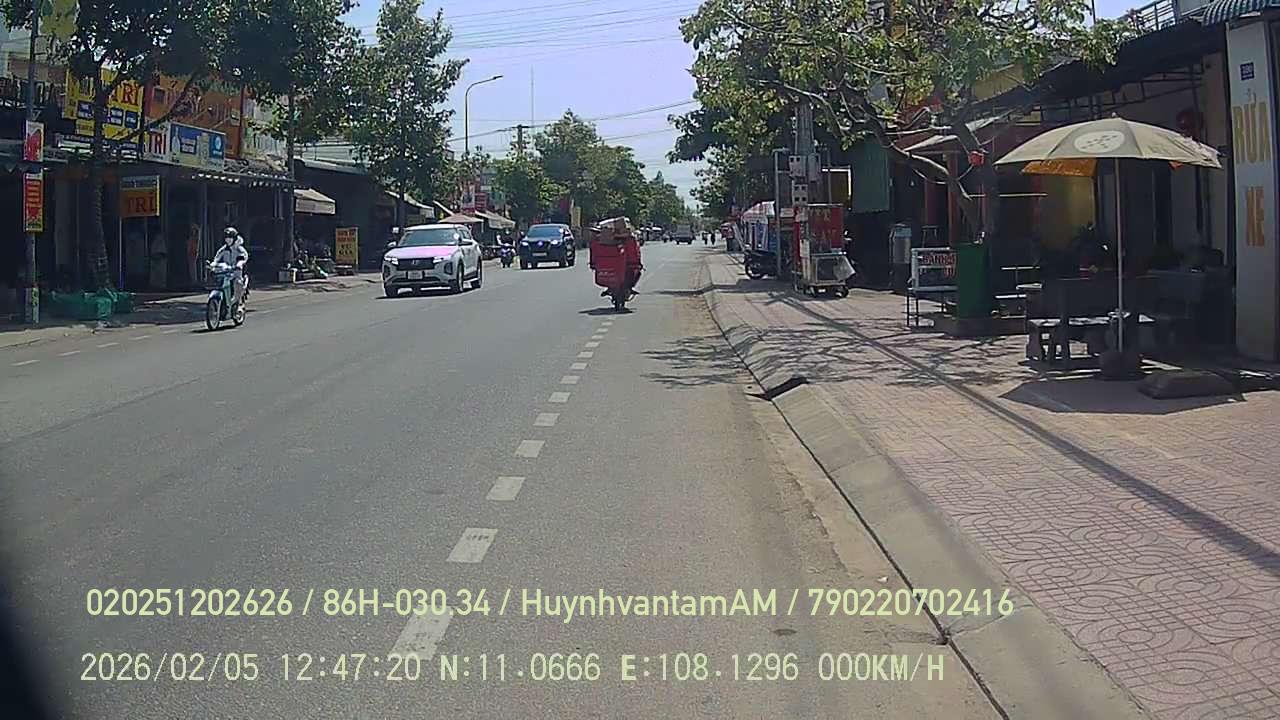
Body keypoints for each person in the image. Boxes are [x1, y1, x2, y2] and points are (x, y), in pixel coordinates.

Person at [213, 227, 249, 305]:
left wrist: (239, 263)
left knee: (238, 283)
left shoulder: (239, 249)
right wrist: (213, 264)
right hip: (226, 273)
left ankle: (238, 303)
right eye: (226, 238)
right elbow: (217, 257)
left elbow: (243, 257)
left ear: (234, 238)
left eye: (230, 238)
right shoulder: (223, 249)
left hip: (236, 273)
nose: (228, 240)